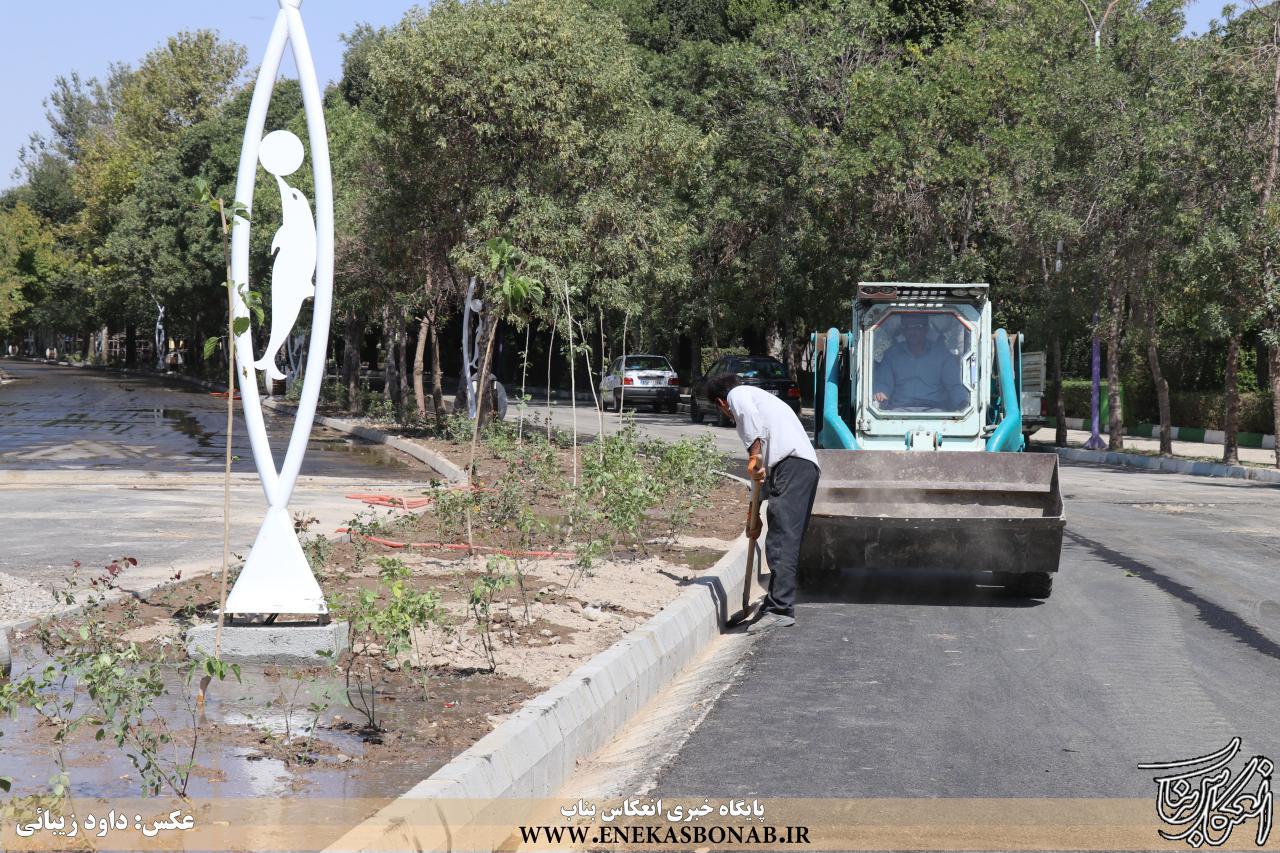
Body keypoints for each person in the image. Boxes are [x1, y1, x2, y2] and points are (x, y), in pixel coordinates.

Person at [705, 373, 821, 633]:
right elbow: (760, 476)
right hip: (798, 469)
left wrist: (753, 455)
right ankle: (774, 602)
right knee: (782, 538)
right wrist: (754, 513)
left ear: (721, 403)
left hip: (793, 467)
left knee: (782, 540)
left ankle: (781, 610)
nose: (728, 415)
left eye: (722, 410)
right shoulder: (761, 401)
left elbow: (756, 453)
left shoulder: (738, 395)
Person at [872, 313, 968, 411]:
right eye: (907, 327)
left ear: (926, 329)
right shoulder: (891, 354)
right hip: (899, 409)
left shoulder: (943, 354)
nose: (912, 332)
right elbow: (883, 382)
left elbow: (954, 386)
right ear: (903, 331)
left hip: (935, 410)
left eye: (917, 327)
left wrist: (962, 402)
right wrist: (881, 393)